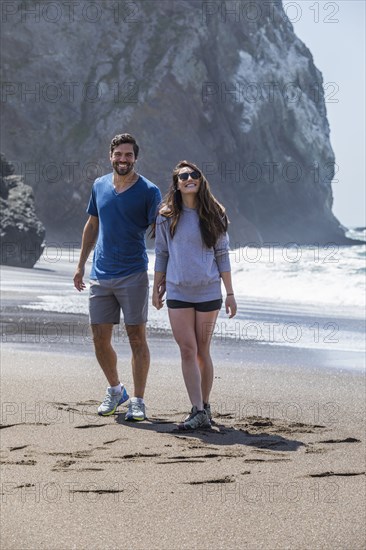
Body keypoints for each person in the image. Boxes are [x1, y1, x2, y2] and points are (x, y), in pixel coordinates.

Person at [73, 133, 162, 420]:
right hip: (100, 274)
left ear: (136, 158)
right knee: (99, 338)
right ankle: (115, 389)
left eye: (128, 155)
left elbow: (161, 231)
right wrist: (80, 265)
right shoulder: (99, 185)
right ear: (111, 155)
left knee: (137, 338)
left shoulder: (149, 190)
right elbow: (92, 224)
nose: (123, 160)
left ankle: (138, 399)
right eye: (118, 154)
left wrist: (164, 275)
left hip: (133, 273)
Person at [152, 160, 237, 430]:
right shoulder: (166, 215)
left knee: (202, 351)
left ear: (201, 180)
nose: (189, 178)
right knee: (187, 350)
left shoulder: (215, 214)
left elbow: (222, 255)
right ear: (176, 184)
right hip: (178, 291)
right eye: (183, 176)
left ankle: (205, 406)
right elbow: (162, 254)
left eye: (194, 175)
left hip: (209, 291)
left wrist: (230, 293)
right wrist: (156, 287)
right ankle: (197, 409)